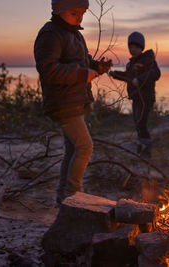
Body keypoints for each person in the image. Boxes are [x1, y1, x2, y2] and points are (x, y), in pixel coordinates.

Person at [34, 0, 112, 205]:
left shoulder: (73, 34)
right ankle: (73, 197)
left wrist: (98, 67)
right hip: (62, 102)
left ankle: (64, 198)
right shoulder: (50, 34)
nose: (79, 17)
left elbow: (81, 60)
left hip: (74, 100)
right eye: (74, 12)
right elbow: (49, 69)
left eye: (83, 13)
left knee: (73, 149)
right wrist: (82, 74)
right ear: (58, 11)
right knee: (85, 147)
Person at [109, 32, 161, 157]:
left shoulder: (148, 60)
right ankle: (141, 143)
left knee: (141, 122)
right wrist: (114, 73)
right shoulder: (131, 64)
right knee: (137, 121)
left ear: (141, 47)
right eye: (130, 47)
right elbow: (128, 77)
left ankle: (147, 147)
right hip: (136, 97)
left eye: (136, 47)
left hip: (146, 98)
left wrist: (140, 79)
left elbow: (156, 73)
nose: (133, 49)